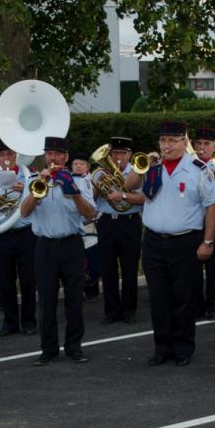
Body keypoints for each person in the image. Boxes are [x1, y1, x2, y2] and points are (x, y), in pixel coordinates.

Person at [122, 121, 215, 366]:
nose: (167, 145)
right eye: (163, 140)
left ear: (184, 142)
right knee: (158, 298)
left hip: (185, 242)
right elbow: (128, 186)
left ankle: (183, 348)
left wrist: (208, 242)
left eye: (172, 141)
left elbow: (212, 206)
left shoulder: (198, 169)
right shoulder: (152, 167)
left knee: (183, 298)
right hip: (154, 241)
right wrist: (144, 163)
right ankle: (162, 348)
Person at [21, 137, 96, 365]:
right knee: (46, 299)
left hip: (71, 243)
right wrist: (37, 191)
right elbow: (24, 212)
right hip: (45, 245)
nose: (52, 158)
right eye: (49, 154)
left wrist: (73, 192)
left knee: (74, 298)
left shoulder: (80, 182)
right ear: (45, 156)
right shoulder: (34, 180)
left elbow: (90, 214)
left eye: (57, 154)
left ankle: (74, 347)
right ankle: (48, 349)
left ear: (65, 157)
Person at [0, 141, 37, 336]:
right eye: (2, 155)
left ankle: (29, 321)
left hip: (25, 233)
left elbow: (38, 201)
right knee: (5, 280)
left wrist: (24, 192)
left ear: (15, 156)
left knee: (28, 279)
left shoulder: (28, 177)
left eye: (9, 154)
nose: (6, 158)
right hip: (2, 234)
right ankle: (10, 322)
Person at [95, 137, 143, 325]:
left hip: (129, 223)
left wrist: (122, 194)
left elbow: (144, 199)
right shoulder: (100, 172)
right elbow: (91, 199)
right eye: (115, 153)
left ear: (129, 155)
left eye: (122, 153)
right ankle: (111, 311)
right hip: (106, 223)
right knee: (108, 269)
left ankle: (129, 311)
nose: (118, 157)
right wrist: (98, 187)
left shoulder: (138, 171)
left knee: (130, 268)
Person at [191, 127, 215, 320]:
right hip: (194, 219)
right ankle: (196, 305)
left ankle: (214, 305)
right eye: (199, 144)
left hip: (213, 219)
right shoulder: (191, 164)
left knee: (213, 264)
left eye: (207, 144)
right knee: (193, 265)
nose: (202, 148)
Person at [70, 151, 101, 301]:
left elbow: (92, 200)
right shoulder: (67, 179)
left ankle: (92, 287)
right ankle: (79, 289)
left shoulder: (90, 179)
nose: (78, 166)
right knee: (77, 261)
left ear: (87, 167)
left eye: (81, 164)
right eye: (75, 164)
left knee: (92, 258)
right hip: (74, 225)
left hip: (89, 223)